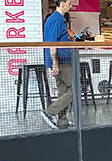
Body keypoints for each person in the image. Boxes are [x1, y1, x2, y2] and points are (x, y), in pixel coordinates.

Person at [41, 0, 74, 130]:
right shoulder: (56, 19)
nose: (71, 5)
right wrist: (55, 63)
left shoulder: (56, 19)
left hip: (59, 60)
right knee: (75, 89)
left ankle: (62, 121)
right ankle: (49, 112)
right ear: (62, 3)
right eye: (69, 3)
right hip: (62, 60)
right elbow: (52, 42)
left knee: (63, 91)